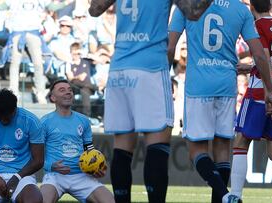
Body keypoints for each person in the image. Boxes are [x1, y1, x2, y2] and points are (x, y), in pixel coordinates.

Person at [88, 0, 213, 202]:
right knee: (156, 144)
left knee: (122, 146)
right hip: (150, 67)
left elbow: (94, 10)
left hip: (119, 69)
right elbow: (194, 12)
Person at [168, 0, 272, 202]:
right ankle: (225, 199)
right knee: (221, 151)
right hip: (227, 85)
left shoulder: (186, 4)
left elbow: (170, 46)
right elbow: (259, 55)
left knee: (196, 151)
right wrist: (269, 91)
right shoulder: (240, 9)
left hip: (198, 86)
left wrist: (163, 79)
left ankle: (226, 196)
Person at [226, 0, 272, 202]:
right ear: (268, 5)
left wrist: (267, 90)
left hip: (261, 93)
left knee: (241, 141)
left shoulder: (257, 26)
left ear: (251, 8)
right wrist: (251, 67)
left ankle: (235, 195)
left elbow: (266, 59)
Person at [39, 79, 114, 203]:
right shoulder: (44, 122)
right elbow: (37, 155)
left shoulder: (83, 120)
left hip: (82, 175)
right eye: (62, 90)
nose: (68, 92)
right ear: (53, 98)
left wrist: (97, 167)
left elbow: (89, 150)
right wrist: (51, 166)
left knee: (110, 201)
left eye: (70, 90)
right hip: (55, 176)